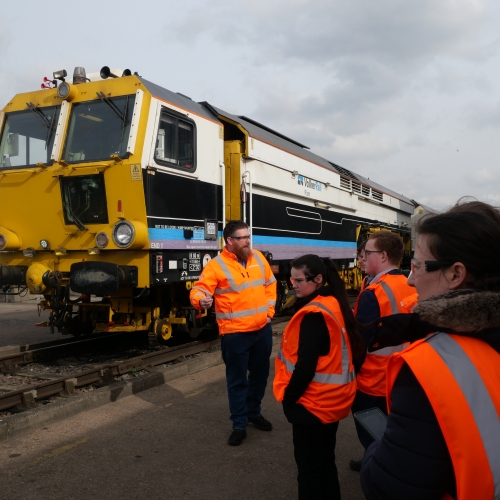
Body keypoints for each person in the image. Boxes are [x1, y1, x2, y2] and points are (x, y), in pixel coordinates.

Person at [360, 200, 500, 499]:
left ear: (455, 274)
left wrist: (377, 449)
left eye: (418, 266)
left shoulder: (433, 367)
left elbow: (388, 486)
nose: (410, 280)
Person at [274, 254, 365, 499]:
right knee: (325, 462)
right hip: (331, 404)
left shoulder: (313, 315)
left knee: (309, 472)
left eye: (299, 280)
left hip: (312, 405)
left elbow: (305, 368)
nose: (293, 285)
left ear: (318, 279)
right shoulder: (333, 302)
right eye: (291, 280)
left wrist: (289, 399)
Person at [190, 220, 277, 446]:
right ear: (230, 241)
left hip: (261, 331)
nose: (248, 241)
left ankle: (253, 412)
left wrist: (269, 312)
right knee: (237, 381)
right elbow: (199, 288)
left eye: (249, 237)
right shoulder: (216, 266)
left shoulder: (258, 258)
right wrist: (201, 300)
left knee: (260, 377)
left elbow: (270, 284)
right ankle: (239, 424)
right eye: (242, 238)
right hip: (235, 334)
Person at [350, 231, 414, 471]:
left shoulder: (374, 294)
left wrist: (351, 374)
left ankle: (377, 468)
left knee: (373, 432)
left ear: (383, 255)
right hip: (403, 374)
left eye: (368, 253)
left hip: (373, 380)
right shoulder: (411, 284)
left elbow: (360, 343)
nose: (363, 257)